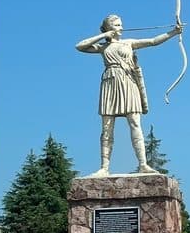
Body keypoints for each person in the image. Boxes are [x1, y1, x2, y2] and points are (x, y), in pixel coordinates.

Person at [75, 14, 184, 176]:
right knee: (107, 127)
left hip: (128, 82)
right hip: (110, 83)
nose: (121, 28)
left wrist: (173, 33)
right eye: (117, 25)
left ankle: (143, 164)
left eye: (121, 25)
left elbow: (153, 41)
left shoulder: (128, 42)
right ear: (109, 28)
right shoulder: (103, 47)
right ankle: (104, 167)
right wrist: (104, 36)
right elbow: (80, 46)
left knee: (135, 123)